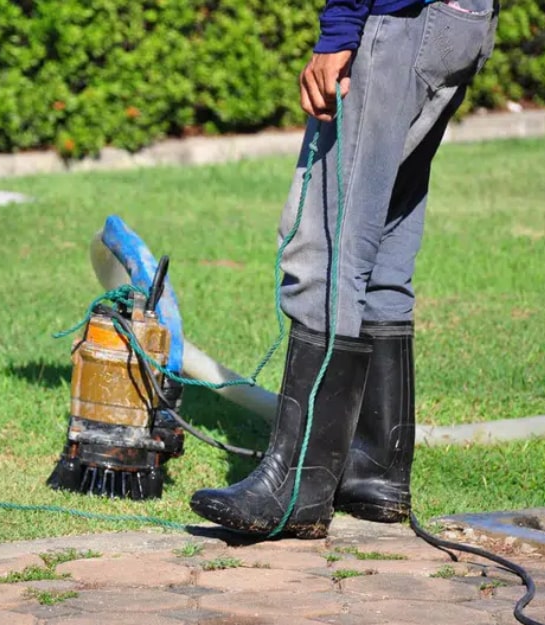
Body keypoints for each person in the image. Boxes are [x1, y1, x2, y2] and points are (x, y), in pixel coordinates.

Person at [189, 0, 499, 538]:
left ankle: (296, 489)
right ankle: (374, 470)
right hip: (460, 20)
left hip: (398, 21)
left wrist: (338, 32)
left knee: (326, 248)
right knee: (381, 248)